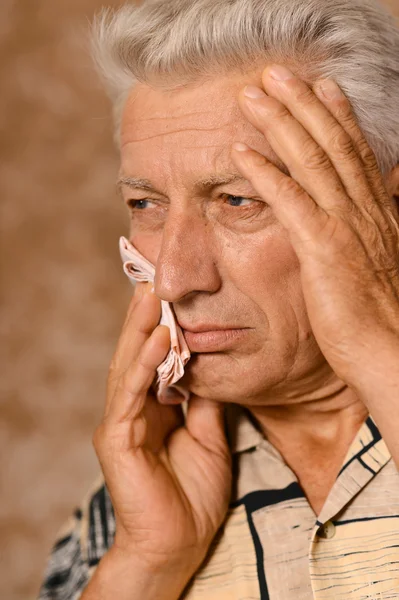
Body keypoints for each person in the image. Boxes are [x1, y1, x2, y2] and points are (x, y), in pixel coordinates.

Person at [38, 0, 399, 598]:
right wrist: (148, 562)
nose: (173, 278)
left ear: (383, 208)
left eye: (238, 200)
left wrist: (381, 357)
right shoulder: (131, 507)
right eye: (146, 205)